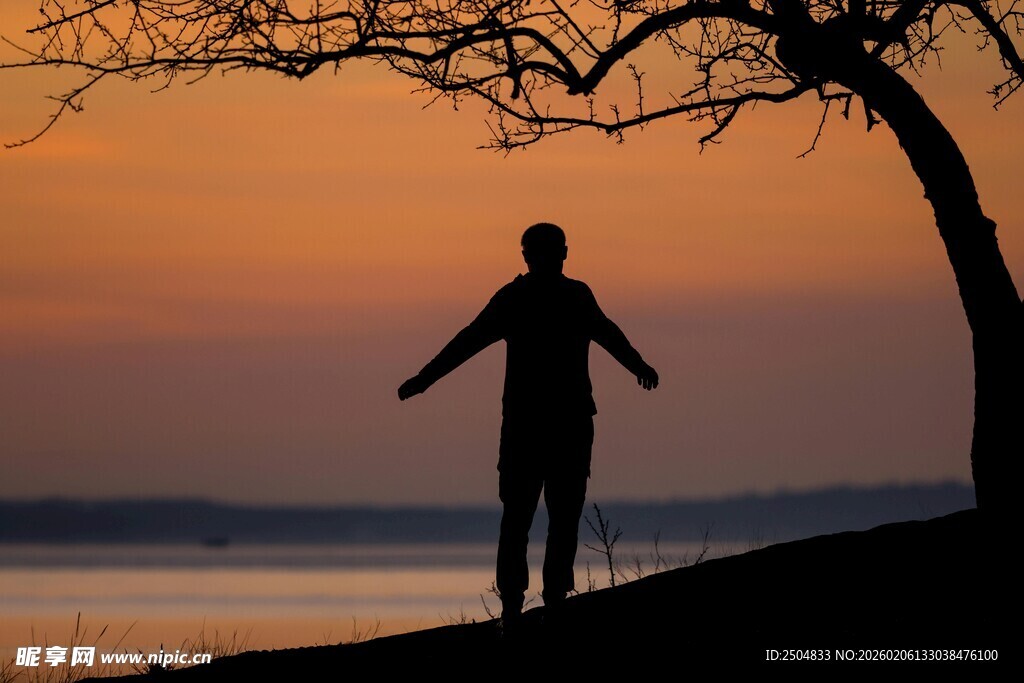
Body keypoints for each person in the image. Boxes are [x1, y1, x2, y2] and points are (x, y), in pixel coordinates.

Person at [397, 223, 658, 623]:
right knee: (530, 516)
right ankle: (520, 605)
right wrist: (424, 380)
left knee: (548, 516)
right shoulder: (525, 298)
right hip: (537, 426)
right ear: (559, 253)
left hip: (553, 426)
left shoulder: (560, 297)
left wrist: (638, 365)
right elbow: (468, 341)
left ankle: (544, 600)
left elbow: (607, 334)